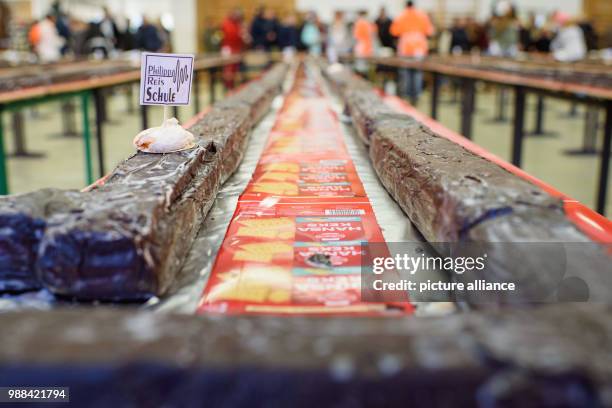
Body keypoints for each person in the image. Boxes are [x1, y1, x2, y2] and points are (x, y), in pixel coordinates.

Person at [390, 0, 434, 103]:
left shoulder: (401, 15)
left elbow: (394, 31)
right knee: (417, 72)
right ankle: (416, 95)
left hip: (405, 46)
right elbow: (430, 31)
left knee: (406, 72)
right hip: (419, 46)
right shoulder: (422, 15)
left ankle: (406, 95)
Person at [221, 9, 246, 88]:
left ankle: (232, 86)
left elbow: (241, 37)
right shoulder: (226, 23)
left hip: (237, 49)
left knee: (235, 69)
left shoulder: (238, 24)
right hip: (228, 48)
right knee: (228, 69)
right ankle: (228, 86)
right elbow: (229, 36)